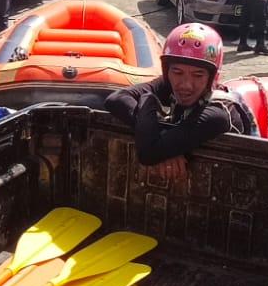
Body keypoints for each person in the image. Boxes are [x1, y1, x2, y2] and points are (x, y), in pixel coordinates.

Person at [103, 23, 255, 185]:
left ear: (212, 78)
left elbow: (149, 153)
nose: (186, 85)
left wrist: (147, 103)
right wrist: (167, 147)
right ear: (167, 72)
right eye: (177, 72)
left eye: (198, 75)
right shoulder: (168, 84)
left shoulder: (218, 114)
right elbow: (115, 99)